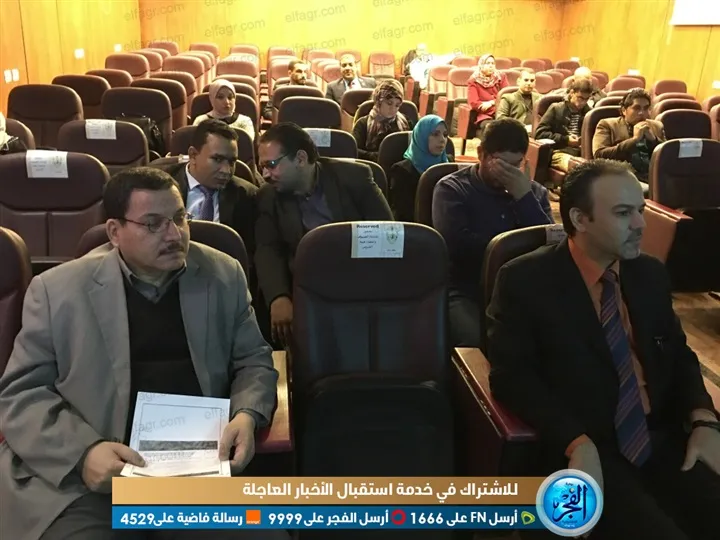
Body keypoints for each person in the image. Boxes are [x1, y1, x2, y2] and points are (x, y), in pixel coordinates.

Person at [0, 167, 287, 540]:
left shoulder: (223, 274)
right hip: (95, 476)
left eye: (180, 218)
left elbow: (254, 360)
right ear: (114, 232)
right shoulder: (57, 291)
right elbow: (21, 393)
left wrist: (246, 414)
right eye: (153, 224)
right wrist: (83, 454)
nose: (174, 234)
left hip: (196, 471)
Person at [487, 159, 720, 540]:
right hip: (586, 446)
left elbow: (678, 354)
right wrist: (575, 442)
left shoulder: (648, 273)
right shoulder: (525, 280)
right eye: (624, 213)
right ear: (580, 219)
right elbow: (512, 378)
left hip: (662, 435)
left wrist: (703, 419)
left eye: (640, 210)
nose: (641, 224)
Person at [255, 123, 393, 348]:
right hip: (305, 288)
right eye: (262, 166)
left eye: (271, 165)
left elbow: (387, 235)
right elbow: (267, 249)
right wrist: (278, 297)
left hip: (359, 283)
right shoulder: (268, 196)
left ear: (300, 159)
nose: (265, 175)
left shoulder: (355, 178)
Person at [432, 118, 553, 348]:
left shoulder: (534, 194)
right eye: (501, 163)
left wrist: (524, 198)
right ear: (481, 154)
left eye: (515, 165)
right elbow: (459, 247)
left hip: (522, 289)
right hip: (467, 288)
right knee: (477, 340)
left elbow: (549, 246)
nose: (508, 173)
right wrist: (513, 251)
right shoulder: (452, 189)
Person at [153, 119, 257, 262]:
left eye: (232, 162)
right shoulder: (158, 187)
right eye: (217, 159)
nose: (226, 170)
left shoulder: (247, 196)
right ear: (193, 155)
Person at [593, 88, 665, 187]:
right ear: (624, 110)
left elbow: (668, 156)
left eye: (646, 108)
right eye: (637, 108)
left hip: (653, 176)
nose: (642, 113)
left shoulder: (657, 126)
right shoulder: (607, 125)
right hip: (621, 177)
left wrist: (653, 140)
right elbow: (599, 155)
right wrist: (634, 140)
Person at [389, 114, 451, 221]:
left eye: (445, 135)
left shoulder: (448, 164)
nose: (442, 140)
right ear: (421, 137)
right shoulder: (402, 171)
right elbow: (404, 215)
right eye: (435, 134)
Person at [536, 78, 593, 172]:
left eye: (586, 99)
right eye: (580, 98)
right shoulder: (556, 108)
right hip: (559, 151)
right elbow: (540, 134)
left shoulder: (589, 113)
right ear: (572, 93)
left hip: (582, 152)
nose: (583, 102)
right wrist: (566, 140)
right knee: (577, 166)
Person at [352, 79, 413, 162]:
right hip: (372, 165)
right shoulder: (363, 124)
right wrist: (377, 156)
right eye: (389, 103)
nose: (393, 109)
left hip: (400, 166)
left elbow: (415, 147)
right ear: (378, 101)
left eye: (397, 105)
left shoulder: (406, 122)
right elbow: (354, 150)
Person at [467, 54, 509, 140]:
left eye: (493, 63)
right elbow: (474, 103)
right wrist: (497, 106)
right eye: (487, 63)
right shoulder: (473, 80)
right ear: (481, 65)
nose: (491, 66)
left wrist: (492, 103)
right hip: (485, 115)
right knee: (491, 128)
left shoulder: (501, 77)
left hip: (503, 113)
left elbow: (507, 96)